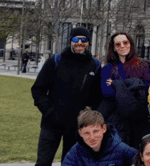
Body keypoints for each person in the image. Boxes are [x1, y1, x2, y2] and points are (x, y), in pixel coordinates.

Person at [32, 26, 103, 166]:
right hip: (51, 123)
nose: (80, 43)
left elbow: (97, 96)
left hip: (77, 127)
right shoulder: (55, 61)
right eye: (76, 39)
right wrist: (49, 111)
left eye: (84, 39)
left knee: (70, 163)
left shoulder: (94, 65)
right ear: (71, 40)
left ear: (88, 42)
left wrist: (88, 116)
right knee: (43, 162)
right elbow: (38, 90)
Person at [99, 32, 150, 148]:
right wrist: (135, 84)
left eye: (125, 42)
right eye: (118, 44)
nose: (122, 46)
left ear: (131, 44)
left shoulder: (144, 65)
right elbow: (107, 92)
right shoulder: (108, 68)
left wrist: (117, 84)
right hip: (117, 119)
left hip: (140, 119)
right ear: (113, 48)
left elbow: (147, 91)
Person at [61, 108, 137, 166]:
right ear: (80, 133)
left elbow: (142, 160)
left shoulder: (120, 148)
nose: (92, 137)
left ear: (104, 128)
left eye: (95, 131)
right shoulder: (75, 152)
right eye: (87, 133)